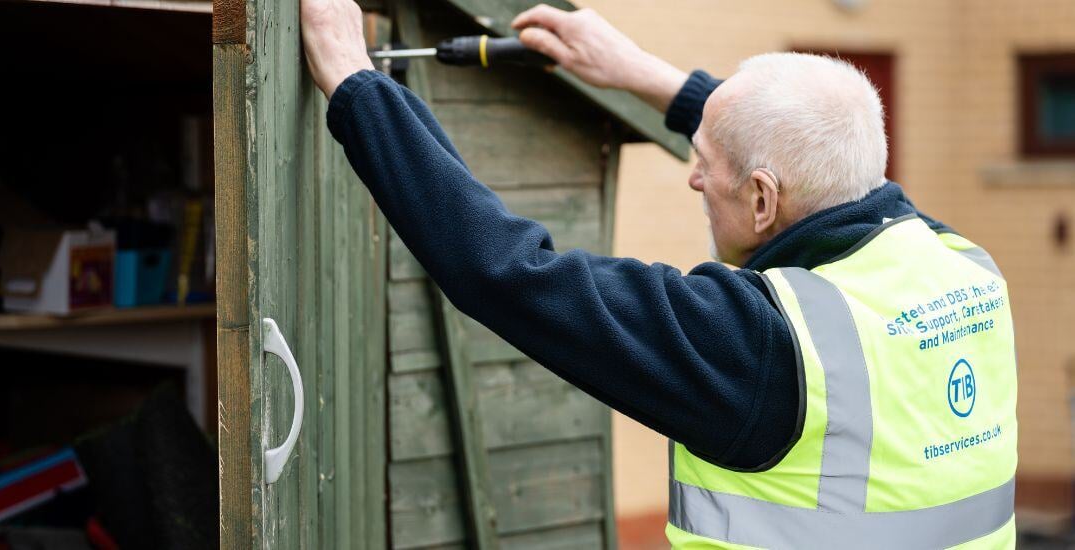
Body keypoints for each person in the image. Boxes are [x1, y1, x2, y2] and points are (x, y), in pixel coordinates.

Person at [300, 2, 1018, 548]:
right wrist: (636, 70)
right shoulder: (959, 265)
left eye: (705, 162)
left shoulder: (760, 348)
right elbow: (817, 152)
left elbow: (506, 271)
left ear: (764, 198)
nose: (694, 178)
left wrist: (355, 83)